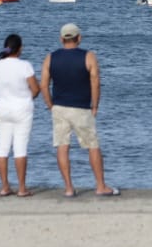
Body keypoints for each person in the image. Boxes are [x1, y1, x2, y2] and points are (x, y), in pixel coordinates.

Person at [40, 23, 118, 197]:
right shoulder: (88, 56)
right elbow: (95, 82)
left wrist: (50, 105)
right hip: (81, 108)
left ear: (61, 39)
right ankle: (100, 186)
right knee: (92, 146)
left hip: (59, 107)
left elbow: (44, 85)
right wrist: (95, 105)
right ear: (79, 38)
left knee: (62, 146)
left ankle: (68, 188)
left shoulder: (50, 58)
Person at [0, 33, 40, 197]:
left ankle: (5, 187)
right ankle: (21, 188)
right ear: (20, 49)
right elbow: (35, 89)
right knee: (20, 148)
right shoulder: (24, 65)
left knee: (2, 147)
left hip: (3, 108)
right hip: (22, 109)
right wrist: (27, 98)